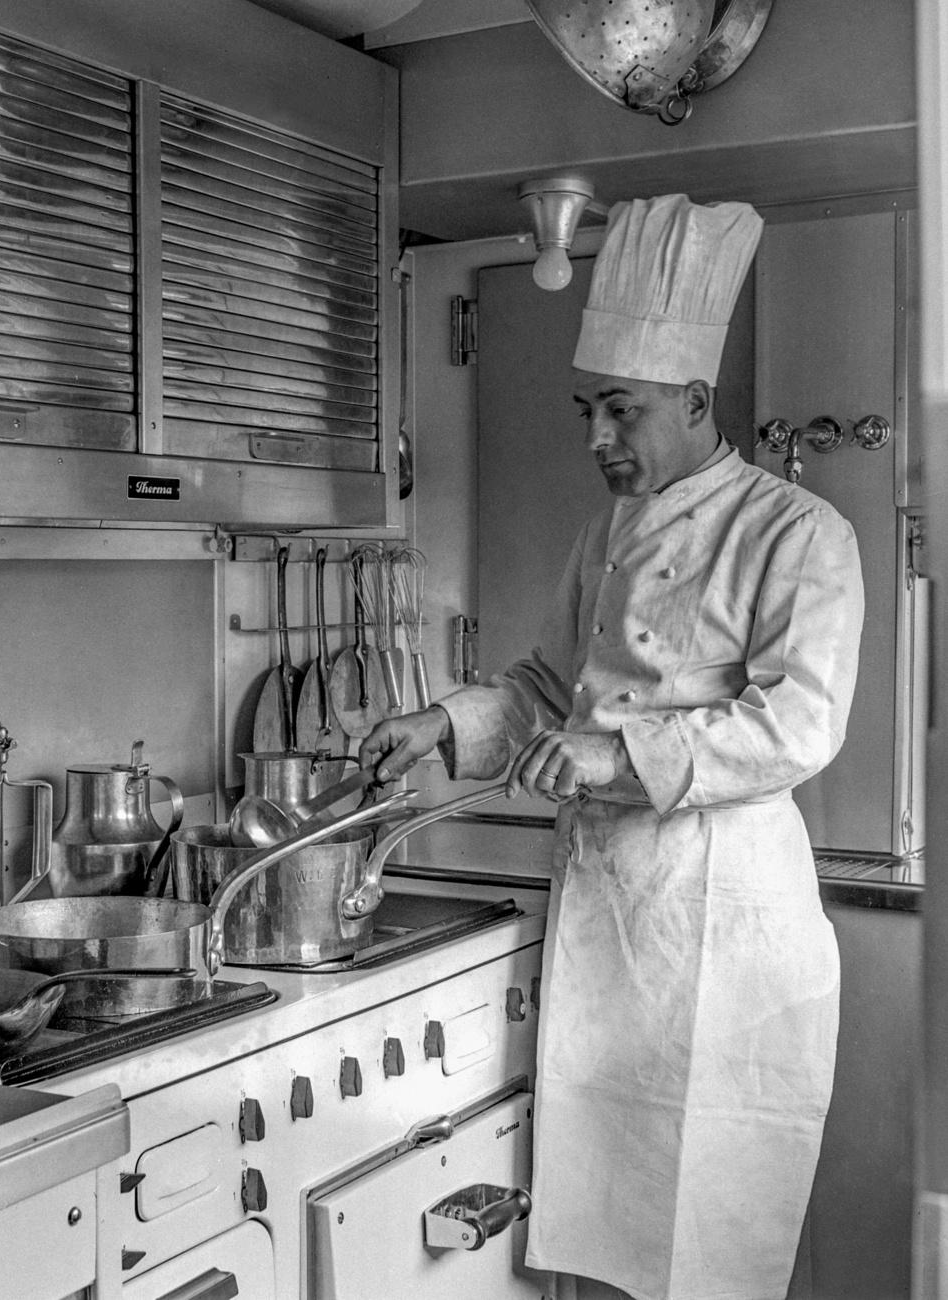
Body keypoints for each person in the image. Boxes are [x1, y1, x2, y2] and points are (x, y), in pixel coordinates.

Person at [360, 194, 864, 1300]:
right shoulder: (606, 535)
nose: (596, 439)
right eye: (590, 409)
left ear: (692, 401)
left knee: (706, 1260)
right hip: (612, 933)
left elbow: (798, 724)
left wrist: (614, 756)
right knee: (598, 1261)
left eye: (620, 412)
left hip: (720, 944)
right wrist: (443, 720)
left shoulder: (797, 534)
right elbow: (546, 687)